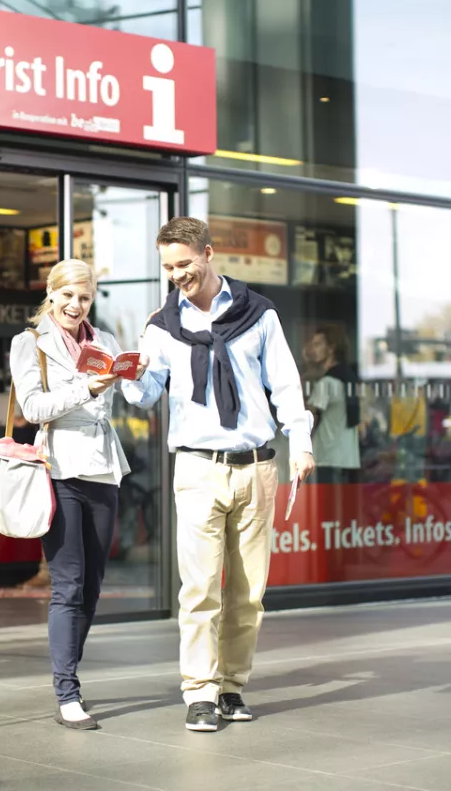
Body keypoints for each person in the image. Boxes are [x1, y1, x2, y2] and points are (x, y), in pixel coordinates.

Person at [122, 217, 314, 732]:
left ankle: (232, 686)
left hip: (256, 467)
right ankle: (200, 692)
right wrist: (121, 377)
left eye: (184, 264)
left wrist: (302, 444)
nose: (176, 275)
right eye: (168, 268)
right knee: (200, 587)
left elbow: (287, 384)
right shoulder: (161, 325)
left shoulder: (258, 313)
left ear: (208, 254)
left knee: (248, 593)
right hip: (197, 467)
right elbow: (145, 395)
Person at [10, 259, 139, 731]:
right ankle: (67, 691)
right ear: (51, 292)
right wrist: (87, 386)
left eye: (83, 297)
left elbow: (130, 395)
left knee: (94, 586)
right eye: (67, 295)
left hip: (103, 468)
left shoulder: (104, 340)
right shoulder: (29, 343)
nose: (74, 305)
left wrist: (135, 369)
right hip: (59, 468)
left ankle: (70, 671)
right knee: (68, 583)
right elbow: (32, 407)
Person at [307, 325, 361, 483]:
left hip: (326, 457)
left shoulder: (327, 382)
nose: (313, 350)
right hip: (348, 457)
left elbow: (310, 416)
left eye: (318, 344)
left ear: (331, 348)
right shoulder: (349, 379)